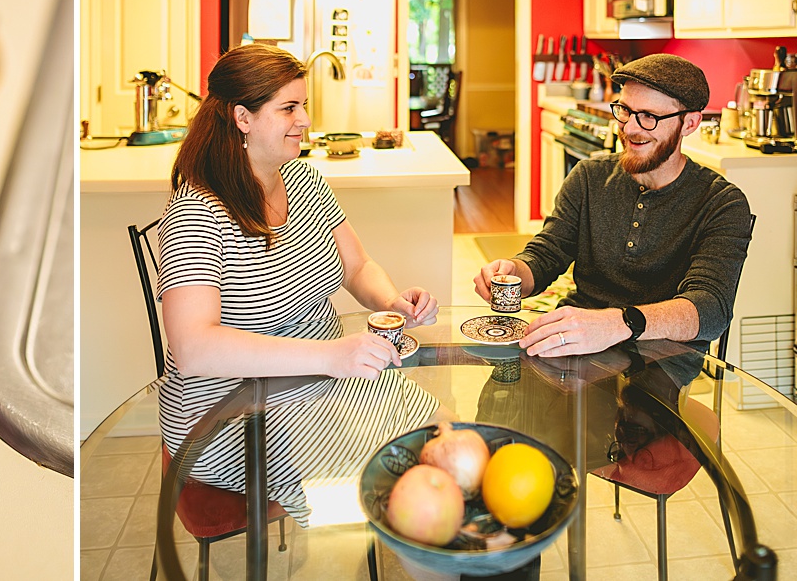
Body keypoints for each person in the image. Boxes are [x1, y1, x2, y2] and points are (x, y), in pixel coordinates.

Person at [157, 44, 441, 523]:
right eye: (288, 108)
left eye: (303, 105)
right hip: (234, 412)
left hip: (328, 385)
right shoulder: (197, 213)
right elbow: (193, 347)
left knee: (441, 442)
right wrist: (331, 356)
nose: (305, 119)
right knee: (392, 497)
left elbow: (356, 266)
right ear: (242, 118)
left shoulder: (302, 178)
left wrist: (393, 301)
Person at [475, 53, 752, 358]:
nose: (631, 128)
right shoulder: (589, 177)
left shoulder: (721, 203)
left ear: (690, 123)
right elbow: (546, 255)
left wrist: (618, 324)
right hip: (574, 342)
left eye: (649, 116)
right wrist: (514, 272)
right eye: (625, 110)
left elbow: (711, 308)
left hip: (658, 359)